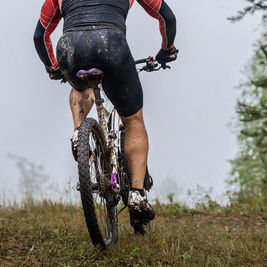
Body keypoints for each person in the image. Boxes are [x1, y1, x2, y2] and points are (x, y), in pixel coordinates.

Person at [34, 0, 177, 234]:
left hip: (70, 48)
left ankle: (79, 132)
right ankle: (137, 193)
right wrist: (167, 49)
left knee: (82, 87)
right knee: (133, 121)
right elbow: (166, 17)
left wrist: (52, 68)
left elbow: (40, 35)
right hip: (111, 44)